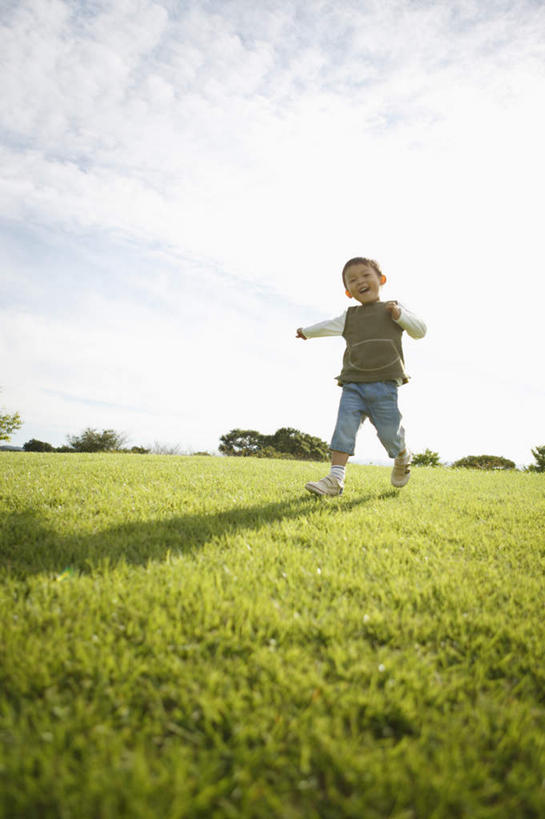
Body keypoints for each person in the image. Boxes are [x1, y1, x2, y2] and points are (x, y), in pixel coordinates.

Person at [296, 257, 426, 496]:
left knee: (389, 434)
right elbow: (327, 325)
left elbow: (420, 331)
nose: (360, 282)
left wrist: (399, 316)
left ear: (381, 280)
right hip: (353, 384)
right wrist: (307, 332)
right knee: (344, 427)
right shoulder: (350, 316)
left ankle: (402, 455)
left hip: (385, 385)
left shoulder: (393, 308)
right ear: (348, 292)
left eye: (366, 275)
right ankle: (335, 479)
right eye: (352, 280)